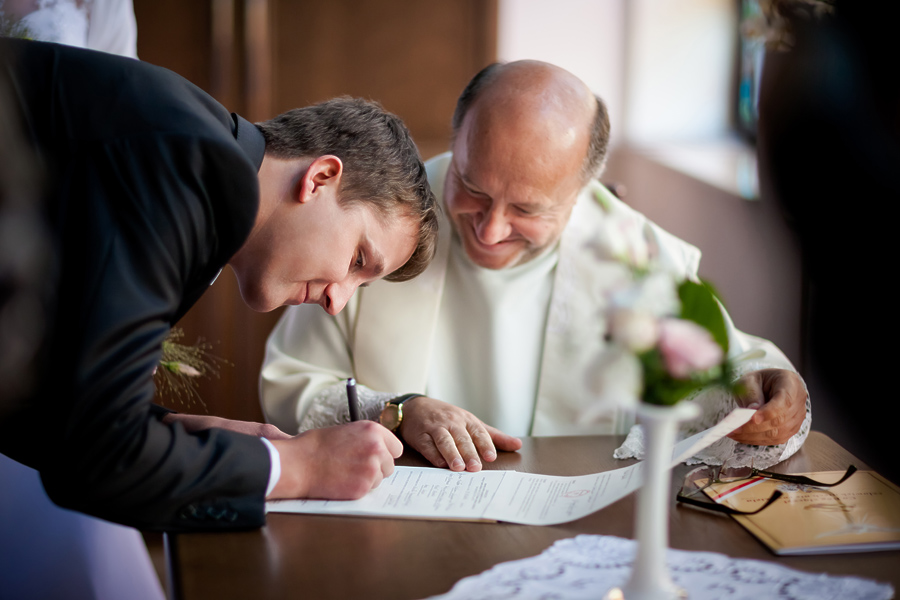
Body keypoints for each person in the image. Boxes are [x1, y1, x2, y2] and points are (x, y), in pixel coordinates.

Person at [261, 60, 811, 473]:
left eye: (527, 209)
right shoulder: (378, 223)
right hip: (397, 517)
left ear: (580, 193)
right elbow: (289, 383)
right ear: (458, 141)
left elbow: (734, 375)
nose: (491, 229)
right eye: (471, 187)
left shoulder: (635, 255)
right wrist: (397, 411)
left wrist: (766, 390)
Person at [0, 37, 438, 532]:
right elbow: (98, 458)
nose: (338, 301)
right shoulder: (193, 165)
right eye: (359, 258)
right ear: (319, 178)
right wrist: (300, 467)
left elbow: (49, 412)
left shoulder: (198, 163)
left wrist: (183, 430)